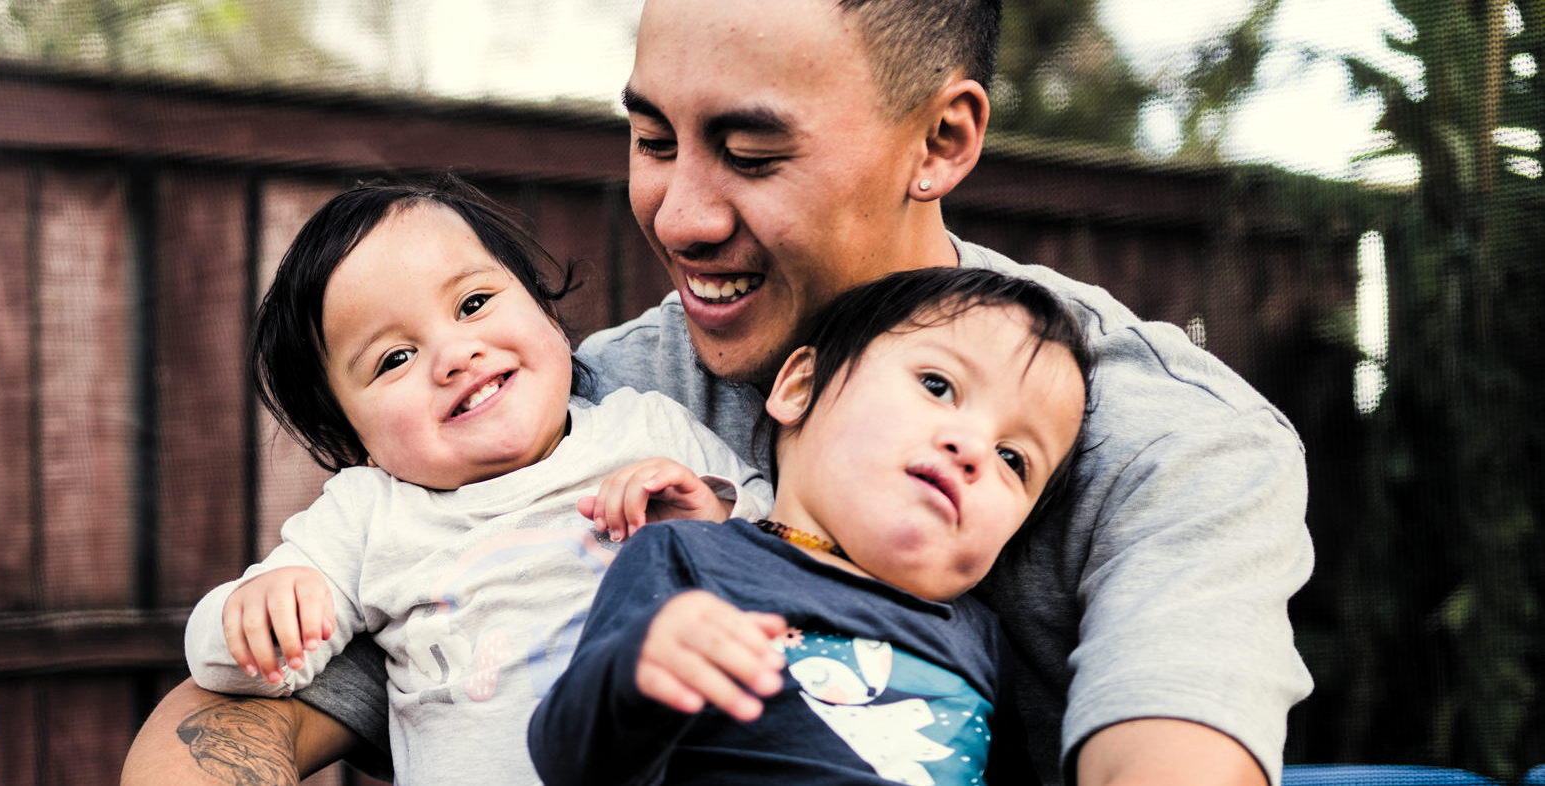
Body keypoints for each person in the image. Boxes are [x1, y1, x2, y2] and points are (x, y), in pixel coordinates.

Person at [123, 0, 1313, 782]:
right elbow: (229, 722)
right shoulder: (602, 408)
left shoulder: (1168, 442)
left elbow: (1168, 755)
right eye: (651, 140)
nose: (680, 216)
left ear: (941, 141)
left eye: (751, 154)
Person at [182, 178, 773, 784]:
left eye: (472, 304)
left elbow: (792, 555)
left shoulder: (647, 428)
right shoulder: (367, 514)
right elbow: (224, 667)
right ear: (356, 441)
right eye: (394, 359)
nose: (455, 356)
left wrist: (714, 525)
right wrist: (252, 614)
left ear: (542, 305)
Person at [527, 266, 1091, 785]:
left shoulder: (980, 640)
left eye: (1013, 459)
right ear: (801, 386)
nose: (972, 449)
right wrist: (635, 669)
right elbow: (569, 762)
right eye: (938, 386)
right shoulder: (689, 555)